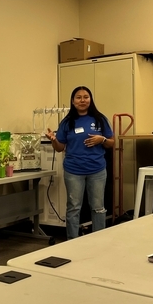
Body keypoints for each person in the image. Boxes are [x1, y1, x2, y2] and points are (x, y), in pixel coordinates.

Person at [45, 86, 113, 239]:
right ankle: (72, 241)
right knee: (74, 208)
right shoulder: (67, 122)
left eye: (86, 97)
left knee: (98, 207)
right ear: (73, 101)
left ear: (90, 99)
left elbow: (111, 143)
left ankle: (99, 240)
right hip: (73, 171)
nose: (82, 100)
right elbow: (59, 148)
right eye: (78, 97)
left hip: (97, 170)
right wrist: (53, 140)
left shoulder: (100, 119)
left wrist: (101, 139)